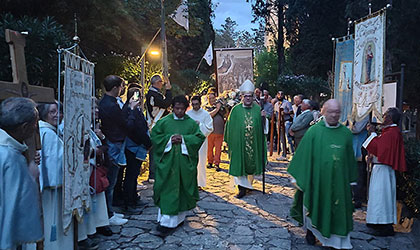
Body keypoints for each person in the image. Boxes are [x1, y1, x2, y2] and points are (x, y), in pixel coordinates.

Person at [288, 99, 358, 249]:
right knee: (315, 206)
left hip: (339, 182)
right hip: (318, 181)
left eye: (337, 112)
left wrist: (351, 179)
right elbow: (303, 155)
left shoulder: (345, 133)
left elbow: (350, 158)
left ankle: (337, 241)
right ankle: (312, 232)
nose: (334, 115)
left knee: (338, 210)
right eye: (330, 112)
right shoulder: (314, 131)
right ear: (323, 112)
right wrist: (298, 177)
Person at [151, 95, 205, 236]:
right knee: (167, 189)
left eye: (182, 108)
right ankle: (166, 222)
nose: (179, 111)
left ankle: (177, 219)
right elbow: (155, 137)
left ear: (186, 108)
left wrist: (184, 139)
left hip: (183, 165)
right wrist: (169, 139)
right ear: (172, 107)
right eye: (176, 108)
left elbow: (199, 138)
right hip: (167, 165)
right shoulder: (164, 122)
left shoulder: (191, 124)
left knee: (181, 188)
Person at [0, 97, 43, 250]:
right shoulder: (10, 157)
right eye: (35, 123)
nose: (36, 128)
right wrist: (31, 177)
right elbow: (11, 204)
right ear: (24, 127)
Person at [99, 75, 138, 225]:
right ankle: (108, 214)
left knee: (113, 179)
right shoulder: (111, 105)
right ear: (115, 88)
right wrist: (132, 110)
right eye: (121, 87)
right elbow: (125, 124)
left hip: (112, 140)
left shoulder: (106, 103)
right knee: (110, 180)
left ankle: (109, 211)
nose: (122, 89)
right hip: (114, 142)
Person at [363, 107, 407, 236]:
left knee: (382, 197)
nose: (382, 117)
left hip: (384, 169)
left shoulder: (392, 132)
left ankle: (384, 225)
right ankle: (376, 221)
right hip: (380, 168)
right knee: (378, 197)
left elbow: (381, 149)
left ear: (390, 119)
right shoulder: (389, 131)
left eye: (384, 115)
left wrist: (372, 133)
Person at [37, 102, 75, 249]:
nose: (57, 115)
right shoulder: (47, 133)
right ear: (44, 114)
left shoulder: (48, 130)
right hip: (52, 187)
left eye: (59, 111)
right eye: (52, 112)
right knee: (51, 220)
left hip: (50, 186)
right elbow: (56, 160)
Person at [224, 80, 268, 199]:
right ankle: (241, 189)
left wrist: (263, 118)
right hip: (239, 144)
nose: (248, 98)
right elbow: (230, 126)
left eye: (250, 96)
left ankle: (248, 185)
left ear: (253, 97)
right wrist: (229, 140)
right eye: (246, 96)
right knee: (240, 164)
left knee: (251, 166)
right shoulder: (235, 110)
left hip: (254, 143)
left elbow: (263, 129)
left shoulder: (257, 109)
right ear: (242, 97)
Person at [122, 83, 152, 212]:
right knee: (130, 175)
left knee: (134, 175)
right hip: (133, 146)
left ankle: (134, 197)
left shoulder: (136, 109)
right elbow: (134, 129)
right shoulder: (130, 110)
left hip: (137, 145)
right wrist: (147, 142)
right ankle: (129, 202)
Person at [146, 74, 173, 183]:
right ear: (157, 83)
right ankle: (153, 174)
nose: (162, 84)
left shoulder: (155, 94)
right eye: (161, 82)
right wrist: (169, 90)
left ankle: (160, 173)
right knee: (155, 151)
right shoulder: (153, 94)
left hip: (160, 124)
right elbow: (166, 103)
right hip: (155, 125)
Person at [187, 95, 213, 188]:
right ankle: (190, 182)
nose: (195, 106)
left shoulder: (206, 114)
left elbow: (209, 128)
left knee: (200, 162)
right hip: (190, 141)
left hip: (201, 142)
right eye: (193, 104)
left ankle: (199, 183)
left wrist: (200, 125)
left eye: (197, 104)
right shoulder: (188, 114)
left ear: (200, 103)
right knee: (189, 162)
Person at [205, 91, 226, 172]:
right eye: (209, 98)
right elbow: (208, 115)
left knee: (218, 149)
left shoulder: (221, 107)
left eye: (213, 98)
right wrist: (217, 109)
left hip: (219, 131)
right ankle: (210, 162)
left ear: (215, 98)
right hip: (209, 132)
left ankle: (217, 163)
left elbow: (226, 113)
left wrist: (223, 106)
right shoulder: (206, 107)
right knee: (209, 148)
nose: (211, 100)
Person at [275, 91, 294, 160]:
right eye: (279, 94)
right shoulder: (276, 104)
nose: (280, 96)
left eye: (282, 94)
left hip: (286, 121)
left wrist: (285, 113)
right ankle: (283, 154)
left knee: (287, 138)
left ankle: (292, 153)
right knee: (281, 138)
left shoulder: (287, 103)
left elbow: (291, 112)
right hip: (279, 122)